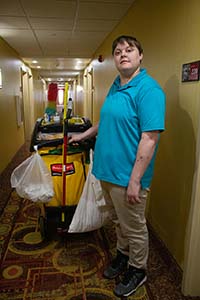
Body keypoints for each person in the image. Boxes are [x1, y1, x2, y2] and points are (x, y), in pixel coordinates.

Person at [69, 35, 165, 298]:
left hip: (127, 177)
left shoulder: (149, 90)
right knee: (117, 222)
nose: (123, 54)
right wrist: (84, 135)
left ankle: (138, 269)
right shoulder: (116, 85)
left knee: (134, 226)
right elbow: (106, 121)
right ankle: (122, 256)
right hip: (106, 171)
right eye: (118, 51)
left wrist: (135, 180)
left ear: (140, 56)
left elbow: (149, 138)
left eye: (129, 49)